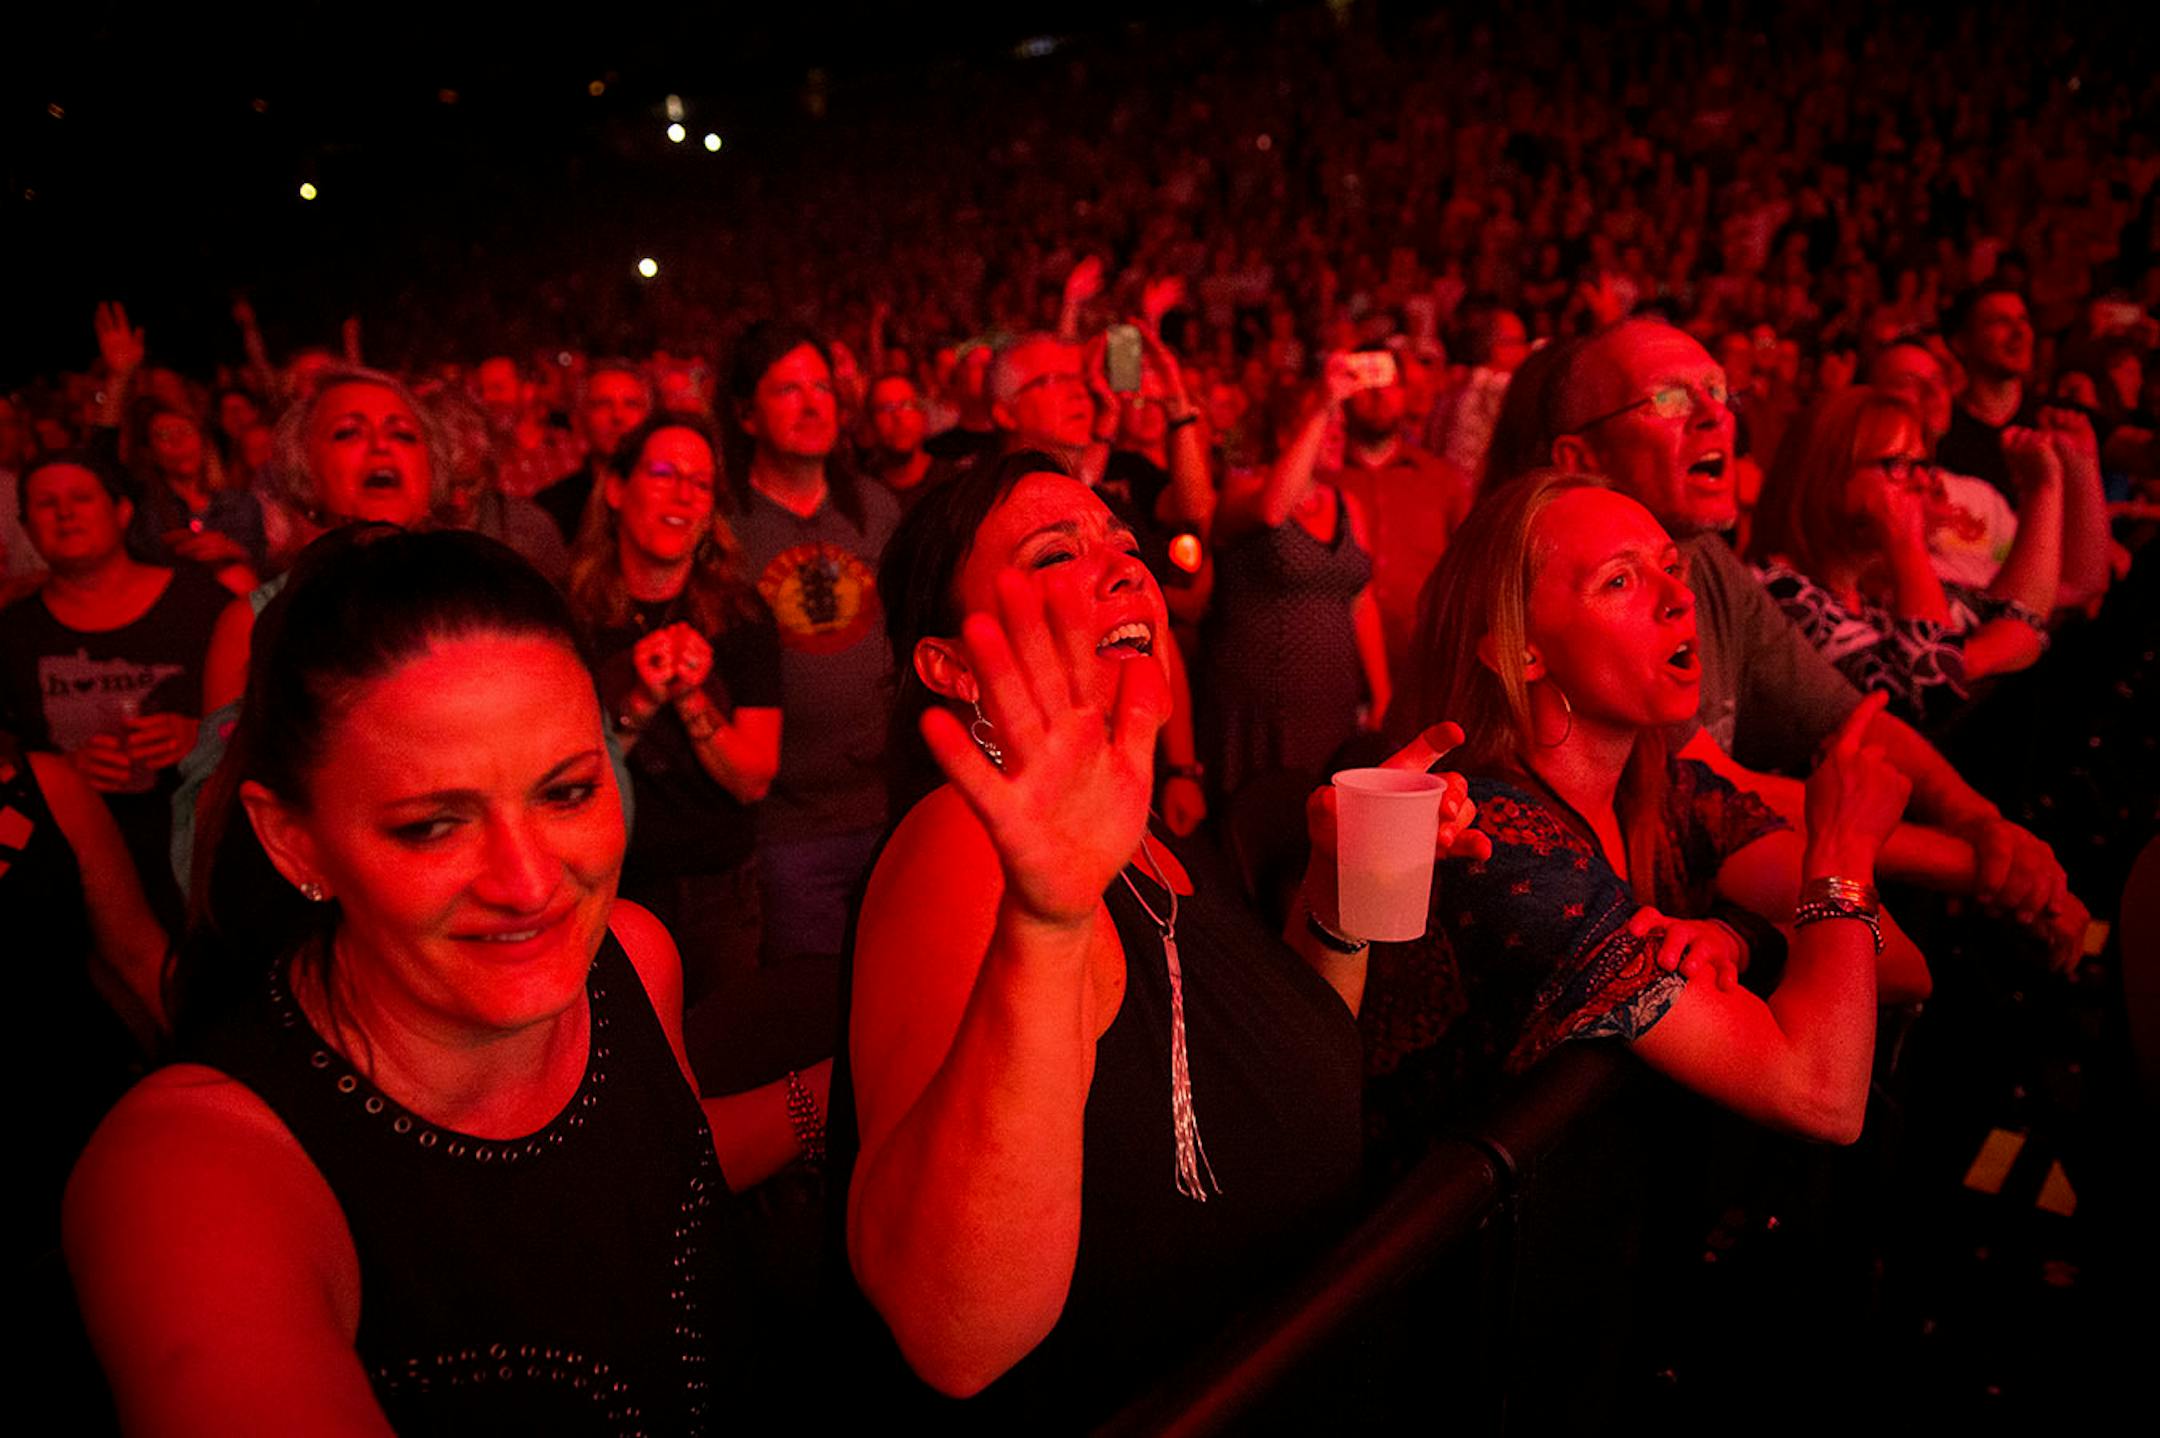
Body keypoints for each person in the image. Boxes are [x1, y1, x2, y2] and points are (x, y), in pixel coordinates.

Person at [64, 527, 819, 1435]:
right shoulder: (197, 1170)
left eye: (567, 792)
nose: (529, 883)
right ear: (293, 840)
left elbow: (654, 1171)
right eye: (433, 826)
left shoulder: (630, 953)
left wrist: (827, 1096)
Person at [836, 452, 1486, 1422]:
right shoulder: (963, 849)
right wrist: (1049, 923)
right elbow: (954, 1334)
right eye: (1059, 551)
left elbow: (1268, 1079)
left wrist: (1340, 899)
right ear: (952, 665)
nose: (1126, 567)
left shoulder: (1152, 837)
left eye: (1126, 545)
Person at [1486, 319, 2086, 964]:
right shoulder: (1563, 600)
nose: (1716, 416)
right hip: (1633, 954)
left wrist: (1981, 822)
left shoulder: (1708, 561)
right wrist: (1983, 864)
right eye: (1668, 400)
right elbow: (1716, 791)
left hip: (1699, 934)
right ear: (1581, 460)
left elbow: (1852, 719)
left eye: (1718, 391)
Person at [1366, 472, 1923, 1163]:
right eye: (1620, 582)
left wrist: (1744, 940)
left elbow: (1901, 961)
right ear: (1521, 652)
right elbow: (1823, 1095)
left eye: (1670, 568)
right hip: (1452, 1257)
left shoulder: (1664, 790)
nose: (1680, 599)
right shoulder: (1498, 843)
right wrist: (1840, 849)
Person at [568, 413, 782, 1007]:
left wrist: (689, 695)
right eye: (664, 473)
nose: (684, 495)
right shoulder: (570, 617)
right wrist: (638, 699)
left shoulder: (742, 616)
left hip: (721, 896)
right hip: (609, 895)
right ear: (616, 489)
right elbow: (565, 786)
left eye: (702, 482)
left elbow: (754, 778)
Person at [723, 323, 901, 962]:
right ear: (745, 414)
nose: (812, 404)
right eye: (788, 389)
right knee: (812, 1019)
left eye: (822, 387)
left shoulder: (875, 509)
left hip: (886, 809)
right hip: (787, 831)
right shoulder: (725, 525)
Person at [0, 453, 228, 926]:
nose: (65, 513)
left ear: (122, 511)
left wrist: (199, 738)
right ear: (25, 525)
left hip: (204, 864)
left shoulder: (202, 603)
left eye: (81, 498)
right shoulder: (12, 636)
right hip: (78, 888)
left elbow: (271, 720)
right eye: (46, 504)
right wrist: (61, 779)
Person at [1748, 387, 2059, 729]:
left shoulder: (1872, 592)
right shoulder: (1777, 593)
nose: (1923, 482)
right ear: (1830, 473)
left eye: (1923, 465)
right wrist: (1906, 544)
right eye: (1898, 464)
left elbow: (2022, 618)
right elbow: (1933, 696)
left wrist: (2043, 488)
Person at [1203, 353, 1388, 802]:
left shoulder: (1347, 504)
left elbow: (1361, 603)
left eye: (1339, 423)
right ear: (1287, 434)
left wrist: (1383, 693)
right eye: (1326, 421)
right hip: (1261, 705)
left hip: (1332, 700)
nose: (1336, 430)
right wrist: (1322, 401)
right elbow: (1271, 511)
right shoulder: (1243, 487)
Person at [121, 399, 265, 596]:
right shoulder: (145, 511)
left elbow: (264, 568)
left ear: (202, 440)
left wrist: (233, 551)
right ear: (150, 451)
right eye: (164, 435)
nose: (178, 442)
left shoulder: (240, 504)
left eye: (185, 431)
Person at [533, 361, 654, 544]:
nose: (618, 416)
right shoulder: (551, 508)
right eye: (603, 404)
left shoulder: (666, 499)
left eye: (631, 404)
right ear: (579, 419)